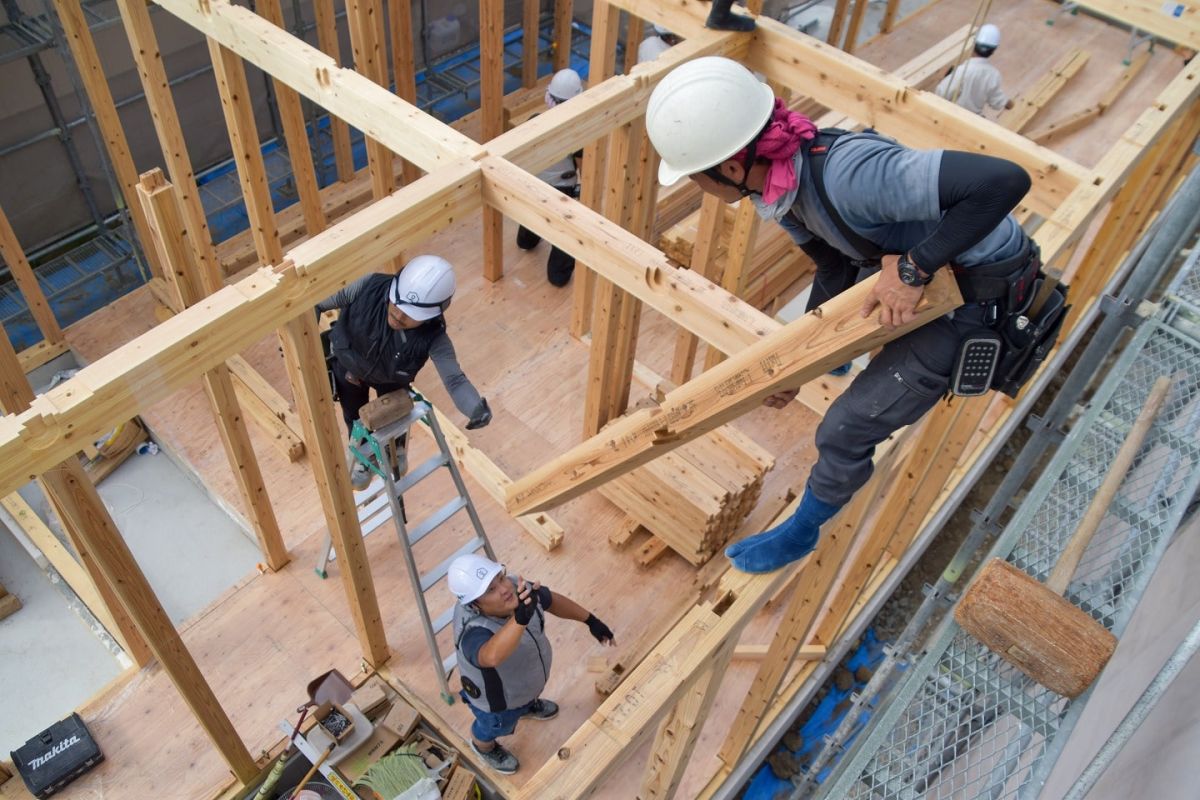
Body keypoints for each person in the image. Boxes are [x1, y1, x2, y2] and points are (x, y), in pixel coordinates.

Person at [647, 57, 1049, 574]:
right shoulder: (782, 194)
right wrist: (803, 362)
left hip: (978, 296)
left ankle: (802, 530)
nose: (696, 188)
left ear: (730, 167)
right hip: (933, 275)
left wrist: (911, 269)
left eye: (694, 177)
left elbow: (1002, 181)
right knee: (846, 342)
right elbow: (834, 269)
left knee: (845, 426)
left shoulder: (849, 175)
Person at [317, 255, 492, 489]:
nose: (399, 316)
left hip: (391, 378)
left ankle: (395, 449)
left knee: (395, 416)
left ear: (433, 315)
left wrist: (475, 409)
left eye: (411, 316)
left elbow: (454, 380)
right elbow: (319, 304)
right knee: (354, 416)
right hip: (350, 366)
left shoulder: (434, 337)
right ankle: (364, 457)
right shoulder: (369, 285)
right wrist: (299, 341)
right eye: (396, 306)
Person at [447, 554, 616, 774]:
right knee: (494, 725)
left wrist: (590, 620)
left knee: (525, 697)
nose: (504, 588)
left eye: (500, 577)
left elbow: (552, 600)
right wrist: (519, 619)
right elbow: (490, 656)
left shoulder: (518, 591)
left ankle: (527, 705)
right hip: (499, 703)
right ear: (474, 604)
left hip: (523, 683)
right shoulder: (472, 631)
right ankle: (483, 746)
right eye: (490, 590)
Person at [516, 68, 585, 287]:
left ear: (549, 97)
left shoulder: (534, 120)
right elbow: (584, 169)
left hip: (533, 186)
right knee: (565, 233)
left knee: (530, 222)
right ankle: (558, 275)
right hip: (561, 191)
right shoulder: (575, 135)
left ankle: (528, 239)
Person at [934, 24, 1015, 116]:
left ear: (974, 43)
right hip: (974, 119)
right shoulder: (993, 75)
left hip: (954, 115)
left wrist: (943, 78)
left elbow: (941, 93)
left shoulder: (962, 70)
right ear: (993, 50)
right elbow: (997, 102)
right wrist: (1008, 103)